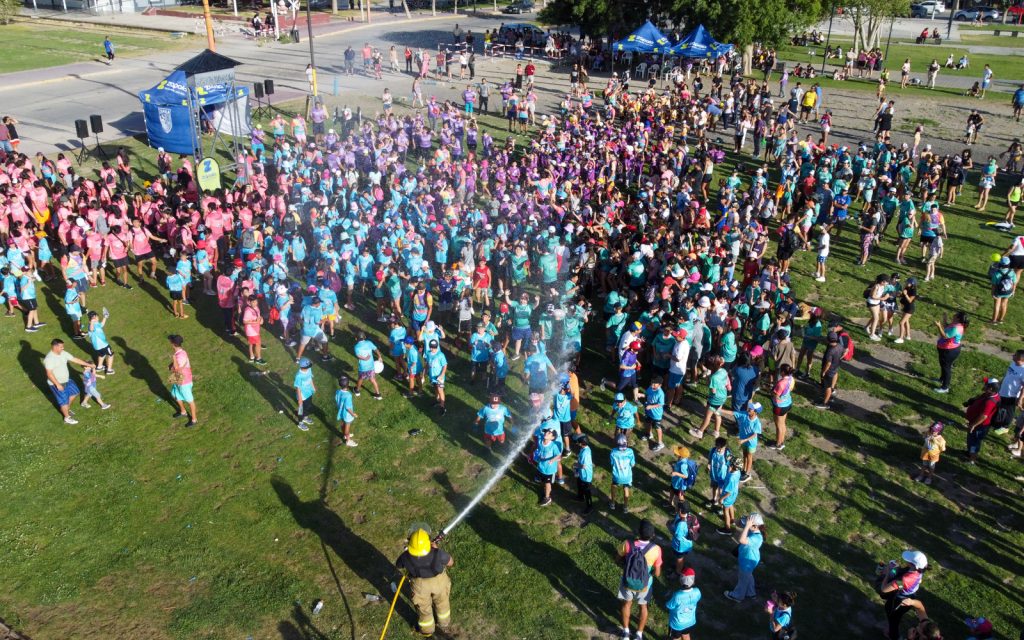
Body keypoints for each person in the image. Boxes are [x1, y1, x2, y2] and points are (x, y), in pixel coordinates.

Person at [395, 528, 454, 638]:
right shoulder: (437, 553)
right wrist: (436, 549)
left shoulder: (405, 556)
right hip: (439, 582)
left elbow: (398, 565)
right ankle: (444, 623)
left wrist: (408, 555)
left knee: (424, 609)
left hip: (420, 586)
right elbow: (450, 562)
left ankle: (427, 630)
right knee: (442, 602)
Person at [617, 519, 662, 640]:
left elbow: (617, 558)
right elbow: (657, 573)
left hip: (628, 582)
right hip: (645, 585)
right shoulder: (656, 549)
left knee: (626, 604)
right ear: (652, 535)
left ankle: (626, 632)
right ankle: (639, 634)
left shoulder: (627, 544)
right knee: (643, 607)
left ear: (638, 532)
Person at [878, 550, 928, 640]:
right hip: (910, 597)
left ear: (914, 565)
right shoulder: (920, 569)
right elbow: (904, 581)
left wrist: (888, 573)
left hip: (899, 602)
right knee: (897, 617)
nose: (907, 560)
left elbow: (884, 589)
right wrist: (896, 570)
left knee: (893, 619)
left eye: (909, 560)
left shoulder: (903, 580)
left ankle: (893, 635)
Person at [44, 338, 95, 424]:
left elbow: (75, 359)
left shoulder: (63, 353)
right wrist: (57, 384)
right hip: (57, 383)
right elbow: (49, 374)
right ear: (55, 347)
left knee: (75, 392)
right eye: (61, 347)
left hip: (67, 380)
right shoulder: (49, 359)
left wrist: (89, 365)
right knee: (63, 401)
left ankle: (67, 409)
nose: (63, 348)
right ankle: (67, 418)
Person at [724, 513, 765, 601]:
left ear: (754, 526)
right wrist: (742, 522)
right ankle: (751, 593)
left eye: (749, 523)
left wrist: (747, 526)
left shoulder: (757, 538)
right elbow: (739, 523)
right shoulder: (753, 530)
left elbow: (742, 540)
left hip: (748, 561)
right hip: (747, 559)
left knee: (743, 579)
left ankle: (737, 595)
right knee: (748, 576)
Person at [965, 377, 1000, 463]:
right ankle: (969, 453)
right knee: (971, 440)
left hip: (980, 426)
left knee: (974, 442)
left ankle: (972, 460)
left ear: (991, 388)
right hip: (975, 423)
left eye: (986, 385)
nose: (984, 385)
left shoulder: (990, 402)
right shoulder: (988, 394)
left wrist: (973, 425)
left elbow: (984, 416)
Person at [934, 310, 968, 394]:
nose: (953, 315)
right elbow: (946, 326)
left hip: (949, 350)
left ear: (958, 318)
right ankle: (942, 379)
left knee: (946, 368)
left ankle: (945, 387)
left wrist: (938, 326)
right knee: (943, 364)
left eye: (955, 315)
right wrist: (944, 319)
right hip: (946, 349)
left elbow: (945, 336)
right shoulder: (955, 324)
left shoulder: (957, 328)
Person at [168, 334, 197, 427]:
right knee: (175, 394)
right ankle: (183, 411)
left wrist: (173, 361)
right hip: (177, 377)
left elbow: (177, 369)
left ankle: (194, 419)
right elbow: (172, 368)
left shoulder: (181, 355)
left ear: (173, 344)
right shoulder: (179, 353)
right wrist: (171, 365)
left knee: (190, 401)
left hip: (184, 380)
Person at [665, 567, 701, 640]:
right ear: (693, 581)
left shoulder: (677, 595)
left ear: (681, 580)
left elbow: (669, 606)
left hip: (677, 624)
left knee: (675, 638)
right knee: (686, 635)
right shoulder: (697, 592)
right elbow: (698, 598)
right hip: (690, 621)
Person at [534, 425, 561, 506]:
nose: (547, 433)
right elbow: (538, 449)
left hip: (550, 470)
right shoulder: (540, 441)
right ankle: (546, 491)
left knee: (547, 483)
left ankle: (547, 497)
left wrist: (552, 460)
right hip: (541, 466)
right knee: (543, 481)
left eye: (549, 433)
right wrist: (537, 455)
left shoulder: (554, 446)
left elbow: (558, 455)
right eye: (547, 431)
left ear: (552, 438)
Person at [609, 433, 636, 512]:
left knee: (613, 486)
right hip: (627, 476)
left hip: (617, 476)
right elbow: (633, 464)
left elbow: (612, 463)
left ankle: (613, 503)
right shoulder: (630, 452)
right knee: (626, 488)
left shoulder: (613, 452)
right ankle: (625, 507)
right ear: (626, 443)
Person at [353, 331, 383, 400]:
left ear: (356, 338)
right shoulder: (369, 343)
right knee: (373, 379)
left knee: (361, 378)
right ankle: (378, 394)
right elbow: (375, 349)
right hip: (371, 366)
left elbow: (358, 356)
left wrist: (364, 358)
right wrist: (379, 356)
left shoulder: (356, 347)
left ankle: (357, 391)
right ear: (365, 337)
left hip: (363, 368)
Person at [571, 433, 594, 514]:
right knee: (579, 484)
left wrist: (575, 465)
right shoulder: (584, 449)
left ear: (581, 443)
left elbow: (583, 466)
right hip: (581, 473)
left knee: (587, 491)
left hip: (586, 476)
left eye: (578, 442)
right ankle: (580, 497)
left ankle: (590, 506)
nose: (577, 443)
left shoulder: (585, 453)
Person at [241, 294, 266, 365]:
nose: (255, 303)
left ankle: (252, 356)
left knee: (251, 343)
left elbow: (258, 315)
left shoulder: (256, 307)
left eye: (256, 301)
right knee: (258, 344)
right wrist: (255, 322)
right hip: (251, 330)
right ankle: (258, 359)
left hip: (255, 329)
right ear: (249, 302)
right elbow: (244, 321)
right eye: (253, 302)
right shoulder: (248, 311)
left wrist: (261, 319)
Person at [991, 256, 1016, 324]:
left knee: (997, 305)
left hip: (998, 292)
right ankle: (1001, 320)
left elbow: (994, 285)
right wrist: (1013, 291)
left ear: (1000, 264)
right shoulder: (1012, 272)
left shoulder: (997, 273)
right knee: (1004, 305)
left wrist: (992, 293)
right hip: (1008, 291)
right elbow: (1014, 283)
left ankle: (994, 321)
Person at [334, 375, 358, 446]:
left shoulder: (338, 391)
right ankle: (348, 440)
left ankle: (345, 434)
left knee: (342, 423)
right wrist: (353, 414)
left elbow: (336, 399)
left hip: (340, 411)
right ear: (348, 384)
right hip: (347, 414)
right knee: (347, 427)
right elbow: (348, 407)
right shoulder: (348, 395)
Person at [293, 357, 316, 431]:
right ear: (302, 367)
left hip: (309, 391)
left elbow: (310, 378)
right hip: (302, 395)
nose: (308, 368)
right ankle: (300, 423)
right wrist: (299, 399)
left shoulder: (309, 369)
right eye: (307, 367)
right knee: (301, 409)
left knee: (308, 406)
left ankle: (305, 417)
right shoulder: (298, 376)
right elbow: (298, 387)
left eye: (309, 366)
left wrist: (313, 387)